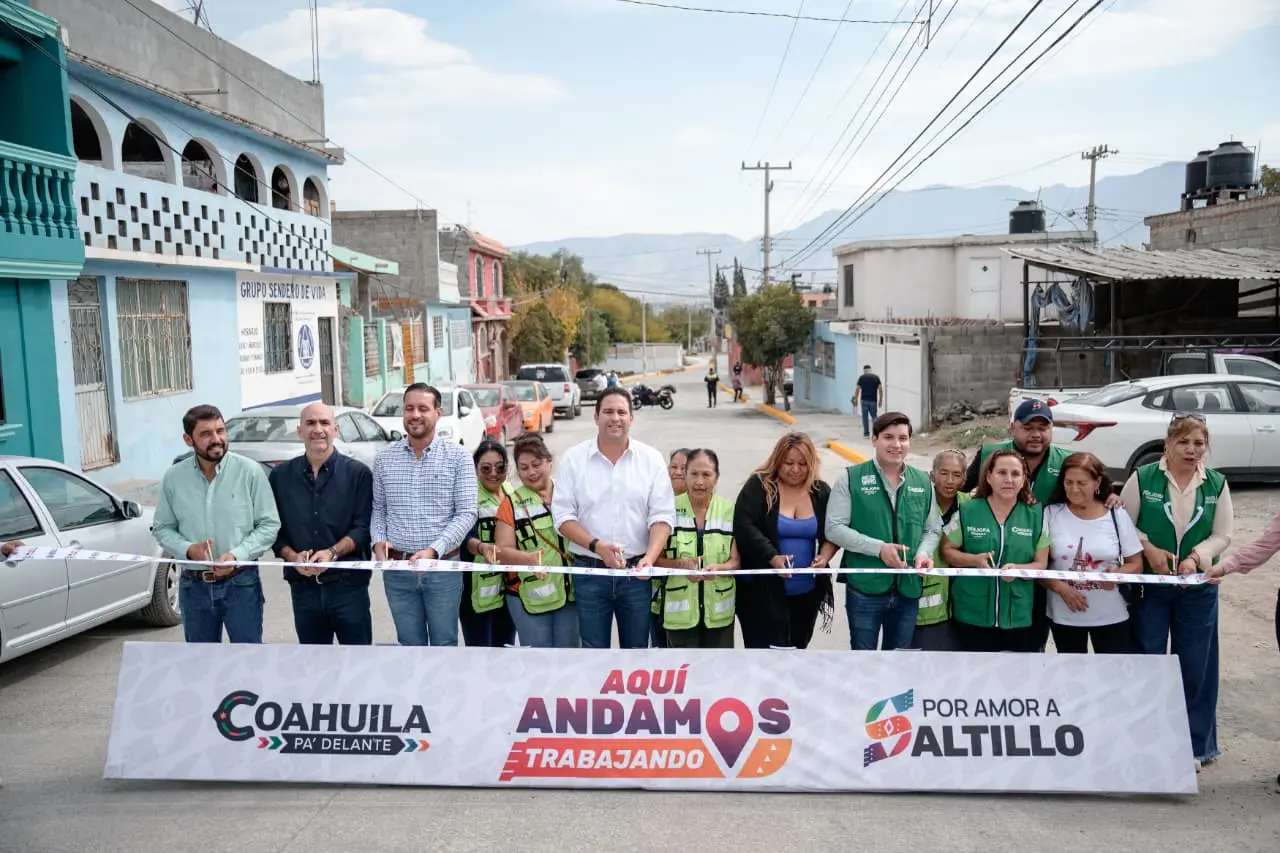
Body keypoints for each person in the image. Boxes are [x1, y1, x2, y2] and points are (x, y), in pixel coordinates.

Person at [1121, 414, 1233, 768]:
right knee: (1148, 658)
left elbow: (1223, 534)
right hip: (1151, 587)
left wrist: (1198, 557)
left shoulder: (1215, 483)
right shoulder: (1143, 479)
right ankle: (1145, 738)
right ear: (1167, 444)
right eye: (1183, 442)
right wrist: (1148, 549)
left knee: (1196, 664)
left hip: (1196, 588)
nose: (1191, 450)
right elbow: (1123, 523)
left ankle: (1197, 744)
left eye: (1198, 443)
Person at [551, 386, 676, 648]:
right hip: (589, 571)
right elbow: (562, 517)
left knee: (637, 652)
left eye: (621, 412)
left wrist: (649, 560)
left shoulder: (651, 459)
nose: (615, 418)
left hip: (637, 574)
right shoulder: (574, 459)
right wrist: (598, 546)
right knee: (594, 653)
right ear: (595, 417)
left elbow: (662, 517)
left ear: (631, 418)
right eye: (608, 411)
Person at [963, 398, 1085, 653]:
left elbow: (1092, 490)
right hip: (995, 569)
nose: (1036, 435)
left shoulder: (1067, 461)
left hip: (1045, 567)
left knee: (1031, 644)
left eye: (1043, 428)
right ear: (1013, 427)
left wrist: (1112, 497)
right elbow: (958, 494)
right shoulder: (989, 455)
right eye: (1029, 427)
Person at [152, 404, 280, 644]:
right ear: (188, 439)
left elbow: (269, 525)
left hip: (241, 584)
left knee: (248, 663)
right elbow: (162, 527)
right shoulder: (174, 478)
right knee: (201, 665)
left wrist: (236, 555)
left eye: (220, 431)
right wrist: (189, 549)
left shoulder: (249, 472)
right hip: (193, 585)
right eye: (206, 434)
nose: (217, 439)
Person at [372, 382, 478, 647]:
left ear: (438, 413)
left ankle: (444, 691)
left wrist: (434, 550)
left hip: (441, 569)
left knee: (444, 644)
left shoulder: (458, 457)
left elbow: (466, 513)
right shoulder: (385, 459)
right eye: (409, 408)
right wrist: (378, 541)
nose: (415, 415)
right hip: (398, 572)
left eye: (423, 408)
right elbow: (379, 510)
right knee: (409, 644)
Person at [826, 412, 941, 651]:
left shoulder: (922, 481)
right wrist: (879, 549)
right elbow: (834, 528)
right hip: (865, 588)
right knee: (863, 659)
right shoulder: (851, 478)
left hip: (908, 587)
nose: (896, 445)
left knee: (898, 661)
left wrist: (923, 554)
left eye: (903, 438)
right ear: (874, 439)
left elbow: (932, 529)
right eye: (888, 437)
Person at [268, 402, 374, 645]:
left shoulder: (358, 475)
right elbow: (272, 529)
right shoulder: (280, 477)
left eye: (324, 423)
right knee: (313, 668)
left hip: (348, 588)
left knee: (358, 664)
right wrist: (292, 556)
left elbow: (364, 528)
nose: (318, 429)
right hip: (303, 589)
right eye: (310, 423)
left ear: (336, 429)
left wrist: (332, 553)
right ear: (299, 431)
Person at [733, 433, 838, 649]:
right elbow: (744, 526)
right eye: (788, 463)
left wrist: (824, 557)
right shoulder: (759, 486)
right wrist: (772, 557)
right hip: (760, 594)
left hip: (806, 595)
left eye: (802, 464)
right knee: (763, 657)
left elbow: (834, 531)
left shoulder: (820, 492)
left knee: (796, 655)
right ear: (777, 460)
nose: (795, 469)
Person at [941, 449, 1051, 652]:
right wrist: (974, 560)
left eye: (1016, 474)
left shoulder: (1036, 515)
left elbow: (1041, 563)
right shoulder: (968, 511)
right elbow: (947, 550)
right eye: (1001, 473)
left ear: (1024, 479)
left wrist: (1018, 569)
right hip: (972, 614)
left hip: (1017, 616)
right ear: (989, 477)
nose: (1009, 480)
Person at [1042, 452, 1141, 654]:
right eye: (1068, 482)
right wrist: (1060, 587)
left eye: (1082, 483)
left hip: (1111, 613)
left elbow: (1135, 563)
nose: (1074, 489)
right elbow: (1039, 564)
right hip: (1064, 613)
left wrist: (1116, 576)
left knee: (1112, 675)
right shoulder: (1051, 514)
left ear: (1097, 483)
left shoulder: (1116, 514)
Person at [494, 434, 579, 648]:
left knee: (569, 660)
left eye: (536, 464)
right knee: (538, 664)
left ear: (549, 462)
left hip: (571, 595)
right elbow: (500, 551)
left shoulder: (570, 493)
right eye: (523, 468)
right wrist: (526, 558)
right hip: (528, 597)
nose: (531, 472)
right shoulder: (511, 504)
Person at [655, 449, 740, 647]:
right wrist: (681, 565)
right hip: (680, 618)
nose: (699, 482)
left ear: (716, 478)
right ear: (685, 476)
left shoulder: (731, 511)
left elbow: (736, 561)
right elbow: (656, 558)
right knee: (684, 674)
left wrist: (719, 569)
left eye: (706, 474)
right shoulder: (668, 509)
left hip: (719, 617)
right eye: (693, 474)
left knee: (719, 674)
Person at [459, 440, 518, 647]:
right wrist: (482, 547)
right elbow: (464, 537)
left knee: (506, 650)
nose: (494, 473)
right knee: (480, 654)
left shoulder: (511, 491)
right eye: (486, 468)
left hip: (509, 588)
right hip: (476, 593)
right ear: (475, 469)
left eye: (500, 467)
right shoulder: (468, 495)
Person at [913, 449, 969, 651]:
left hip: (962, 606)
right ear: (932, 475)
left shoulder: (971, 507)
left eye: (956, 475)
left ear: (964, 479)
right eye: (944, 473)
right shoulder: (918, 504)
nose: (950, 481)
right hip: (925, 608)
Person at [853, 365, 883, 439]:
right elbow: (880, 389)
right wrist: (880, 400)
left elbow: (857, 389)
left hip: (864, 401)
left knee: (865, 417)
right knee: (874, 416)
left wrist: (855, 399)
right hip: (873, 401)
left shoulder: (861, 378)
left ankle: (866, 434)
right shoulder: (876, 377)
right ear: (870, 370)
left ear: (864, 370)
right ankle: (876, 433)